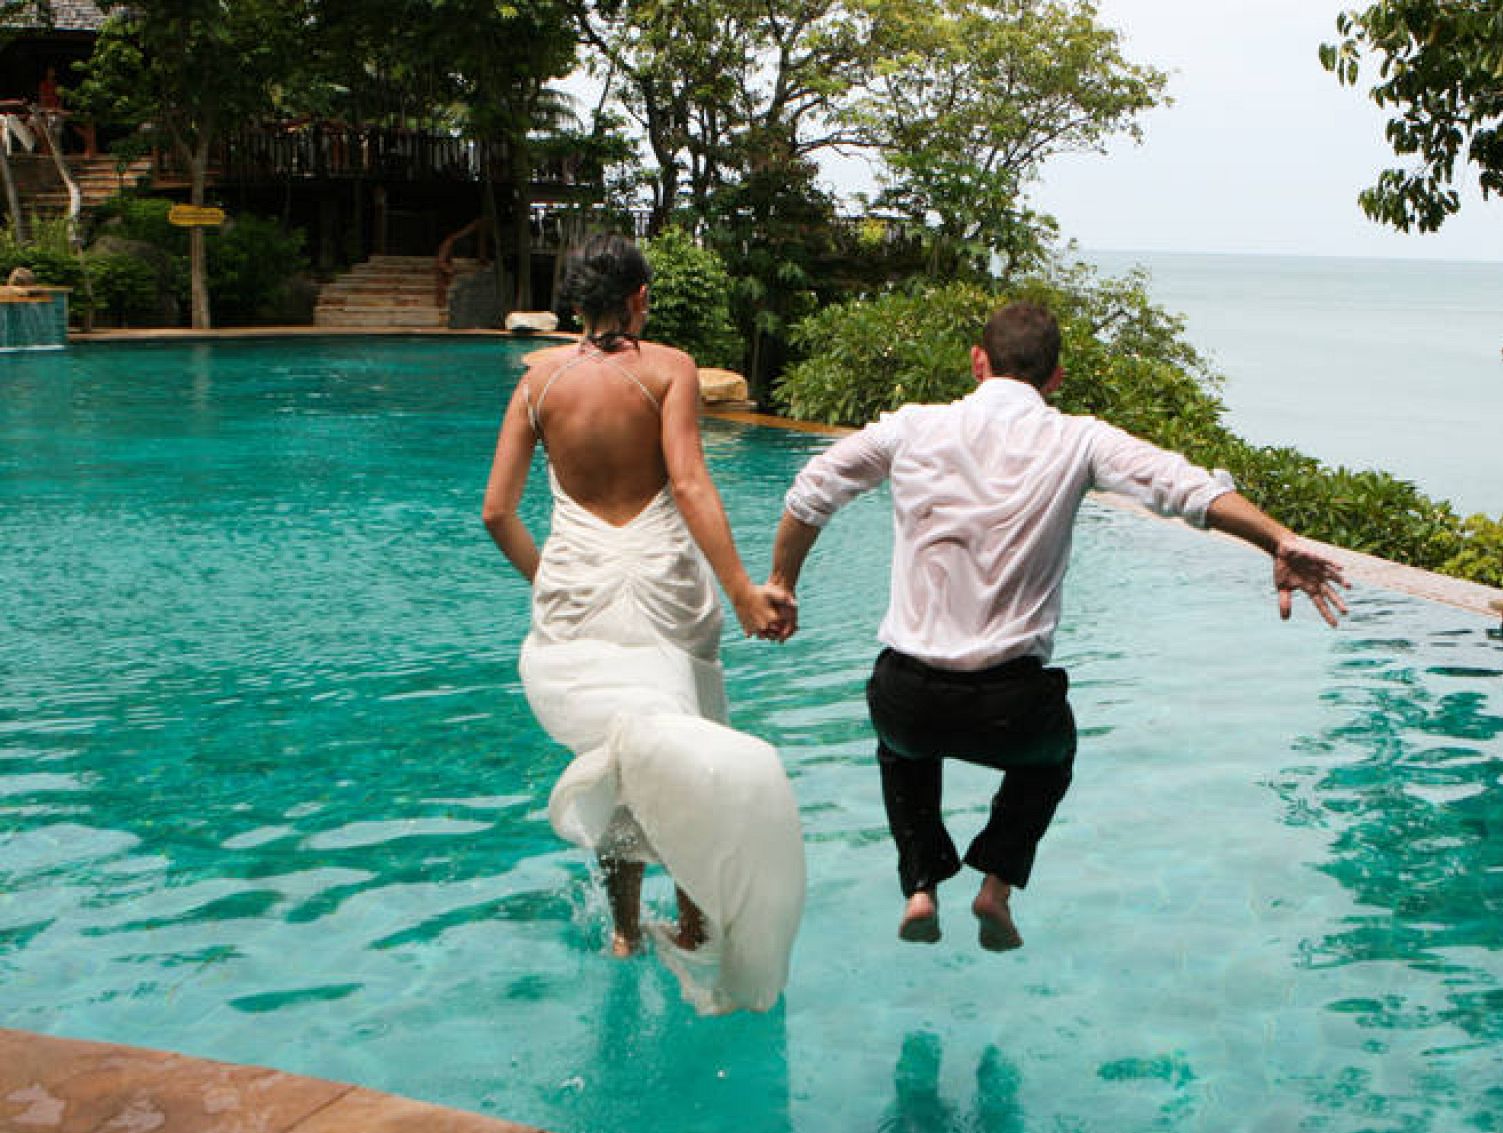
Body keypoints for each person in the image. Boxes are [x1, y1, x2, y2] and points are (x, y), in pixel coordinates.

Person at [768, 301, 1348, 952]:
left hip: (910, 697)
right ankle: (995, 887)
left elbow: (812, 491)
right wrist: (1277, 539)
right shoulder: (1080, 440)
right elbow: (1186, 489)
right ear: (1055, 378)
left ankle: (921, 887)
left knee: (901, 746)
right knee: (1053, 755)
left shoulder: (912, 428)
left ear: (978, 362)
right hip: (1012, 710)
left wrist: (783, 583)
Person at [483, 235, 800, 997]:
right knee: (686, 751)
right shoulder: (667, 369)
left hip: (576, 595)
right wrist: (742, 591)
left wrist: (551, 581)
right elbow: (688, 484)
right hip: (663, 595)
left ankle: (624, 932)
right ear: (639, 299)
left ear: (575, 303)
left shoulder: (536, 382)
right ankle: (692, 924)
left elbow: (496, 511)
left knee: (617, 759)